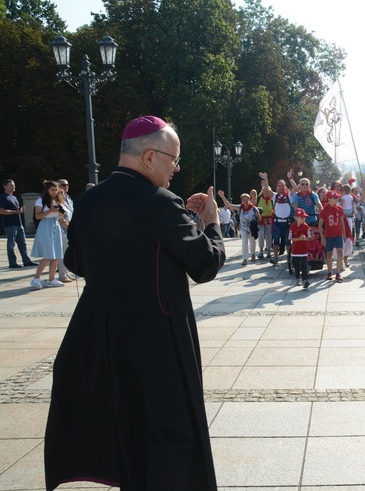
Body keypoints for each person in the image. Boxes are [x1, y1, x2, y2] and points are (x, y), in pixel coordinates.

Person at [45, 115, 225, 490]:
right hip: (157, 340)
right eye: (173, 159)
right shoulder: (161, 204)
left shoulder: (89, 201)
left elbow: (76, 263)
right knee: (173, 437)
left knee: (128, 434)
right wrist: (211, 223)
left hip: (104, 338)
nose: (176, 168)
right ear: (148, 157)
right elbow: (205, 264)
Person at [30, 180, 65, 289]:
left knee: (55, 255)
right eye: (52, 190)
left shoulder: (57, 201)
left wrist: (60, 213)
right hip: (45, 226)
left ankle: (51, 279)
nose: (54, 192)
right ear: (47, 190)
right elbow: (38, 216)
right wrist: (50, 210)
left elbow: (59, 218)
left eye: (56, 190)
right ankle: (36, 278)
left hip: (55, 226)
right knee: (48, 255)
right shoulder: (40, 201)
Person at [260, 171, 297, 265]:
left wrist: (290, 178)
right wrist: (266, 179)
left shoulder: (289, 196)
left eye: (283, 186)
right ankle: (275, 257)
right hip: (277, 223)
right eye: (279, 186)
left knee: (288, 242)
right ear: (276, 188)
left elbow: (295, 188)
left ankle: (289, 258)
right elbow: (267, 191)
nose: (281, 188)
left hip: (287, 222)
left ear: (285, 187)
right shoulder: (275, 196)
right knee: (276, 240)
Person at [0, 179, 36, 268]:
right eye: (11, 185)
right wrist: (14, 212)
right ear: (5, 186)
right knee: (11, 244)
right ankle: (12, 263)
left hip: (19, 223)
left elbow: (17, 210)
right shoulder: (3, 197)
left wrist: (20, 210)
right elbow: (1, 210)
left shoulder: (14, 197)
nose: (13, 187)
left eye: (14, 185)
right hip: (10, 224)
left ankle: (26, 261)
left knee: (23, 243)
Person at [218, 190, 260, 264]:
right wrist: (222, 197)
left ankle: (253, 254)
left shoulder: (254, 209)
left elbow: (259, 219)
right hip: (243, 228)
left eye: (247, 199)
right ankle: (245, 259)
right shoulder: (240, 207)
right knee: (244, 242)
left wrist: (252, 223)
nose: (245, 201)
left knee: (252, 242)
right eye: (244, 200)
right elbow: (229, 205)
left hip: (251, 228)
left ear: (249, 199)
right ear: (242, 200)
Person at [319, 190, 345, 282]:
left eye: (336, 198)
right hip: (329, 235)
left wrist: (344, 235)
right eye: (334, 198)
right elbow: (320, 224)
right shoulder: (324, 210)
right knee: (329, 253)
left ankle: (338, 272)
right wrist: (322, 236)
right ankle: (330, 271)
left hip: (338, 234)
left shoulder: (340, 209)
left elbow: (342, 222)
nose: (336, 200)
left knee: (340, 252)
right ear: (329, 199)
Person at [56, 179, 75, 281]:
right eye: (63, 185)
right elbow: (60, 218)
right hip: (62, 230)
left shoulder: (68, 198)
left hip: (69, 228)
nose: (66, 186)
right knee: (63, 252)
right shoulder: (56, 200)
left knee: (67, 251)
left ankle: (66, 272)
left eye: (67, 184)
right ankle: (62, 274)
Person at [290, 208, 312, 288]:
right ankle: (297, 278)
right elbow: (291, 238)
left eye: (304, 217)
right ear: (296, 217)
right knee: (296, 265)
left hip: (303, 250)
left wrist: (304, 238)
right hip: (295, 250)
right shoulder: (293, 226)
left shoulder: (306, 226)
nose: (303, 219)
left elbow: (309, 238)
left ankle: (305, 280)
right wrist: (299, 238)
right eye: (301, 217)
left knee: (304, 265)